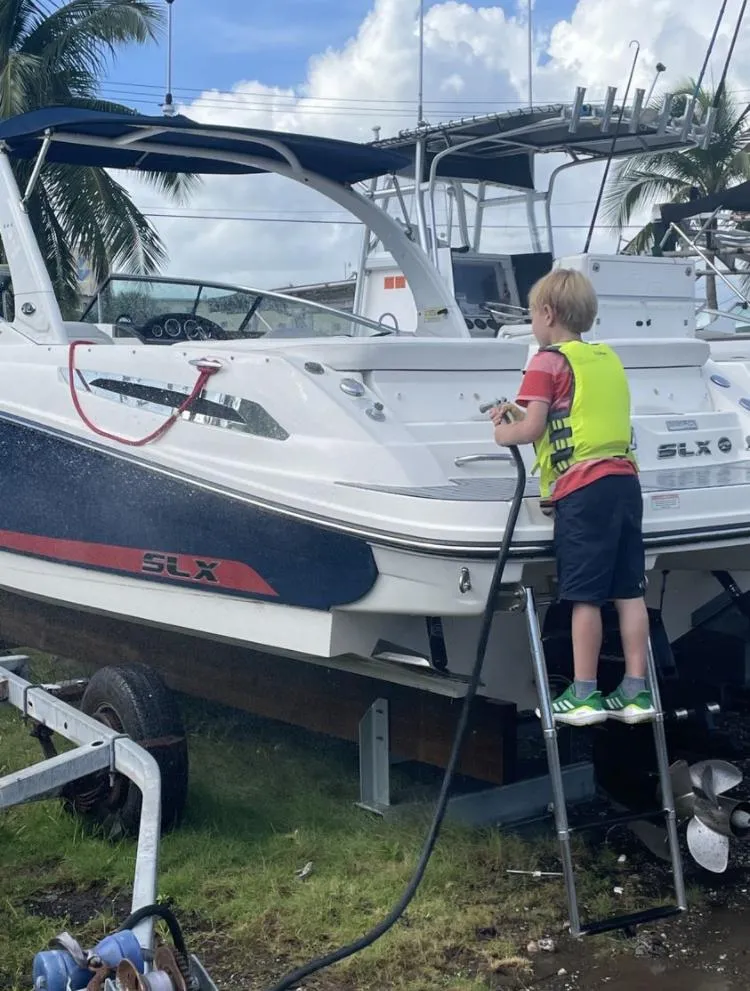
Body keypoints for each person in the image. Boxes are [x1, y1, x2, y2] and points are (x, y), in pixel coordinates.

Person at [490, 268, 655, 727]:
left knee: (584, 597)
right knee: (628, 592)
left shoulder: (544, 361)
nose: (532, 325)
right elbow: (576, 412)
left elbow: (533, 428)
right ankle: (636, 692)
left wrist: (503, 431)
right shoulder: (606, 359)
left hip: (584, 492)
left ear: (547, 313)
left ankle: (584, 694)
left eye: (531, 316)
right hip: (625, 484)